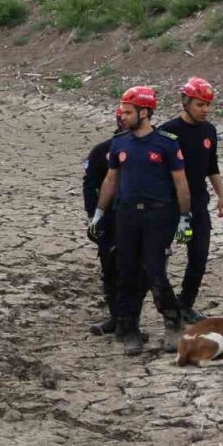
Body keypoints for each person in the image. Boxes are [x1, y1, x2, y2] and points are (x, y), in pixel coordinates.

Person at [89, 86, 193, 355]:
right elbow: (111, 180)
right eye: (122, 111)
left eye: (127, 112)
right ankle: (129, 329)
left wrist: (184, 217)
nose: (122, 116)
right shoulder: (120, 143)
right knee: (125, 272)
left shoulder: (166, 143)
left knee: (155, 271)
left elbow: (181, 182)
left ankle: (173, 323)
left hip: (158, 216)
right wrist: (100, 213)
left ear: (144, 112)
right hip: (126, 215)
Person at [158, 77, 223, 323]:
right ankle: (167, 307)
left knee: (199, 255)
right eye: (200, 104)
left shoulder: (209, 131)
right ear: (185, 102)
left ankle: (186, 303)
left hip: (198, 203)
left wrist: (221, 195)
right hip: (168, 204)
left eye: (208, 105)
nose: (205, 110)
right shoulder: (168, 130)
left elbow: (212, 165)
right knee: (160, 256)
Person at [82, 106, 125, 336]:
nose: (125, 120)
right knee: (109, 268)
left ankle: (130, 322)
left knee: (139, 271)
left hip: (140, 219)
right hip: (109, 219)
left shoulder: (156, 147)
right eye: (123, 115)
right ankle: (115, 317)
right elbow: (90, 185)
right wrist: (93, 216)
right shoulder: (102, 151)